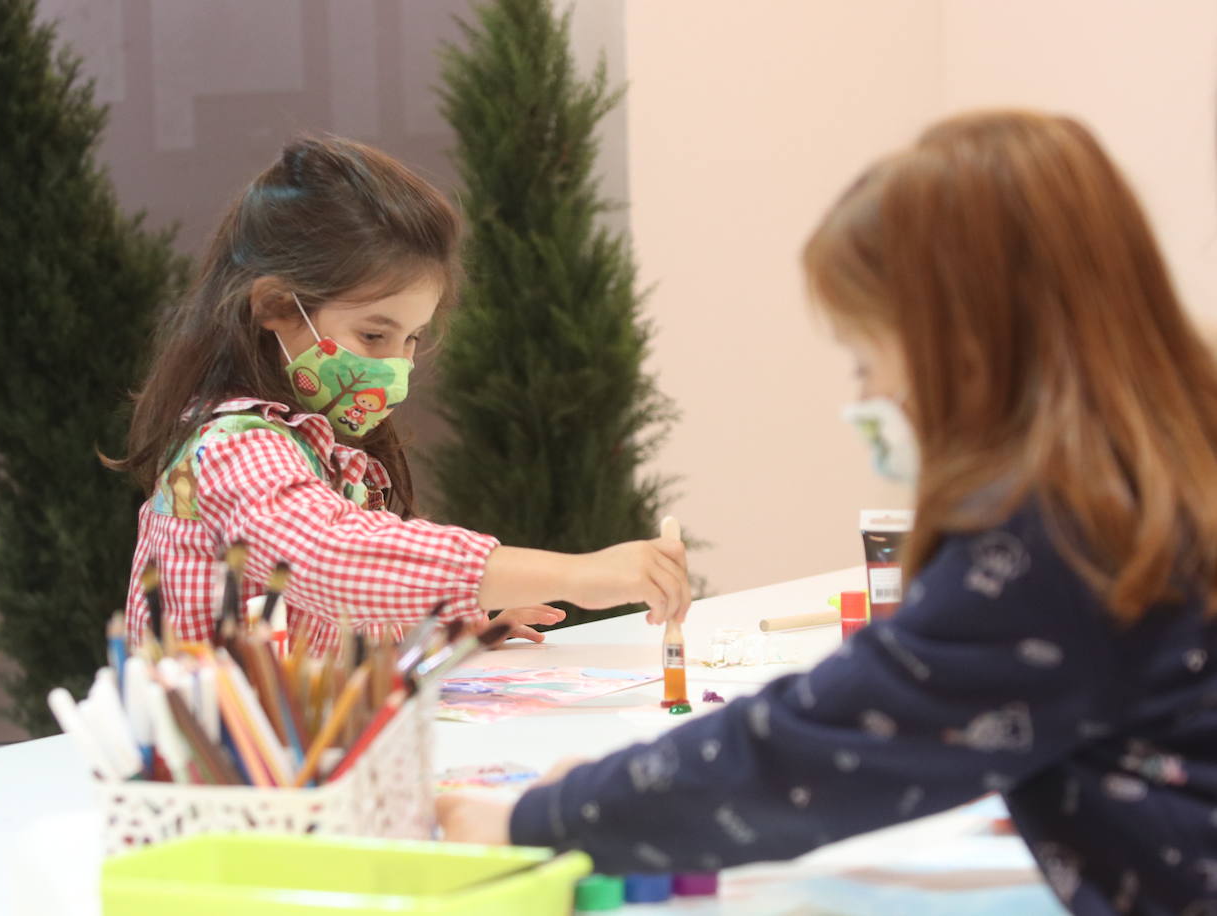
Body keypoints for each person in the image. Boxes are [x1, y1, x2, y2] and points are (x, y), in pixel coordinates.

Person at [437, 110, 1217, 915]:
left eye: (866, 361)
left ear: (966, 349)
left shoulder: (1060, 532)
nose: (866, 396)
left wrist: (549, 819)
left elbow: (810, 750)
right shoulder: (1168, 458)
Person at [108, 135, 691, 654]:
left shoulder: (316, 443)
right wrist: (579, 574)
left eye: (411, 338)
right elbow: (337, 560)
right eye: (373, 334)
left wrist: (451, 628)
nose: (396, 366)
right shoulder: (231, 449)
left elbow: (341, 614)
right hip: (218, 765)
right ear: (277, 308)